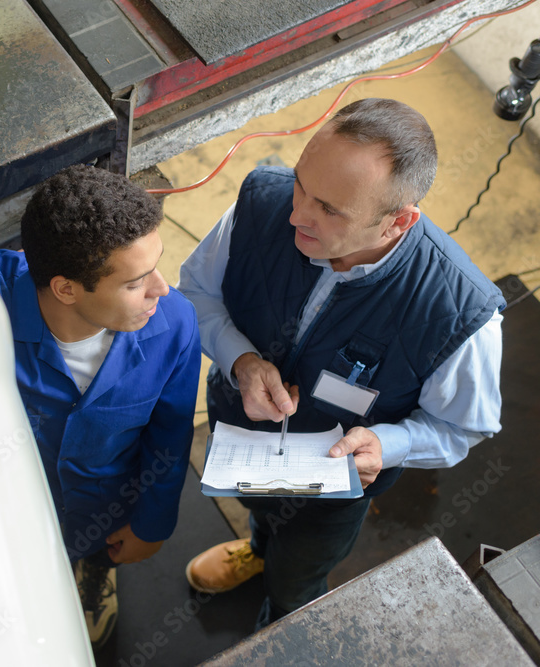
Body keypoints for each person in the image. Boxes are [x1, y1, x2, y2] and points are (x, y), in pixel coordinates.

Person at [177, 98, 504, 628]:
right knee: (259, 512)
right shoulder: (262, 202)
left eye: (329, 209)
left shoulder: (459, 314)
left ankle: (283, 623)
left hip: (330, 493)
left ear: (398, 222)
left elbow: (461, 427)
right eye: (301, 183)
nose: (295, 214)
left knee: (297, 579)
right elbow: (195, 293)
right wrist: (241, 361)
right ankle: (258, 548)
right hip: (241, 439)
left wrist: (389, 444)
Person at [0, 165, 200, 648]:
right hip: (4, 500)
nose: (161, 289)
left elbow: (170, 437)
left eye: (156, 266)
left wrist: (151, 524)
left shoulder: (175, 325)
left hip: (104, 507)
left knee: (94, 549)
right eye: (136, 282)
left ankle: (93, 572)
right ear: (66, 289)